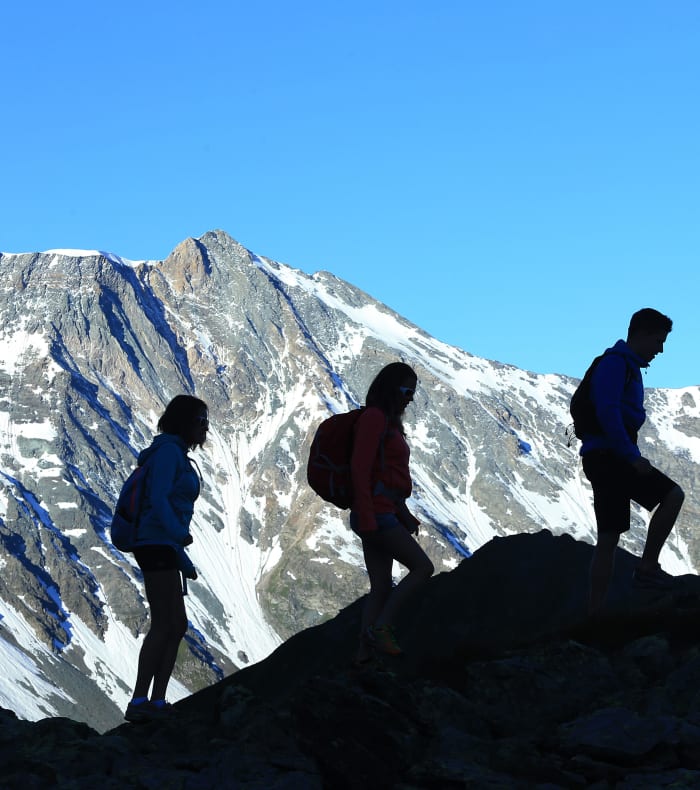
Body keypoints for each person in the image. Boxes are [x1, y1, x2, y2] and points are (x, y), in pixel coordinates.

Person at [579, 308, 685, 614]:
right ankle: (647, 568)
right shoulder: (616, 364)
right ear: (642, 334)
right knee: (672, 495)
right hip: (612, 458)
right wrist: (631, 457)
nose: (660, 349)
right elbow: (608, 411)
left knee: (608, 538)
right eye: (658, 341)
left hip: (601, 456)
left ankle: (594, 614)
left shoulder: (623, 365)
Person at [124, 395, 208, 722]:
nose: (205, 427)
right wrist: (178, 535)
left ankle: (156, 700)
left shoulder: (174, 453)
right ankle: (141, 702)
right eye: (200, 421)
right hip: (156, 543)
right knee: (165, 623)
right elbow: (158, 499)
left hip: (163, 545)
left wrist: (179, 551)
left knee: (176, 624)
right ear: (183, 422)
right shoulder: (168, 454)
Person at [350, 362, 434, 662]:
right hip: (376, 514)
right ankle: (381, 628)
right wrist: (369, 516)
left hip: (379, 511)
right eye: (406, 391)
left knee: (381, 585)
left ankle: (363, 656)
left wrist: (403, 514)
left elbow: (384, 475)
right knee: (422, 568)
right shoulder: (375, 419)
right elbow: (360, 469)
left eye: (413, 392)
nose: (411, 397)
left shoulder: (386, 421)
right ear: (391, 388)